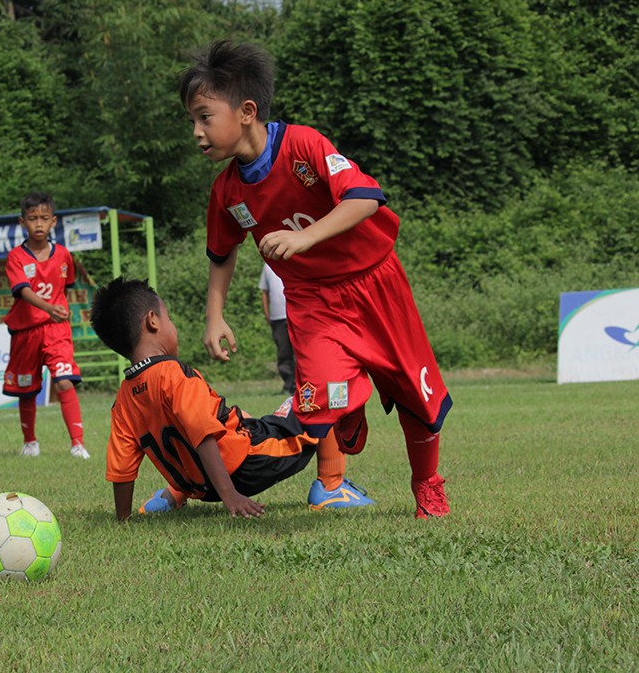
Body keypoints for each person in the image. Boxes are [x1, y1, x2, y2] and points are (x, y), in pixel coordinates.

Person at [182, 40, 452, 518]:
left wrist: (306, 239)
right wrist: (214, 316)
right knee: (319, 400)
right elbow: (222, 255)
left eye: (205, 117)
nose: (197, 132)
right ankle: (348, 409)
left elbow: (366, 199)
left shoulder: (304, 145)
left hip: (376, 283)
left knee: (416, 396)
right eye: (192, 122)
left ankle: (427, 484)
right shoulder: (226, 191)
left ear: (246, 111)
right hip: (311, 299)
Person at [90, 277, 359, 521]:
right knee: (330, 388)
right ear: (153, 321)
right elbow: (203, 435)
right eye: (168, 318)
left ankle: (174, 494)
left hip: (200, 487)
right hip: (247, 465)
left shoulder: (124, 398)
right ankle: (331, 486)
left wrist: (123, 519)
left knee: (248, 418)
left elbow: (122, 468)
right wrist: (230, 495)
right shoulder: (174, 374)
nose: (173, 326)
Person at [2, 192, 90, 460]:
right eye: (32, 219)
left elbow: (67, 285)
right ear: (22, 222)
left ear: (54, 221)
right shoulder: (16, 257)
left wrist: (57, 311)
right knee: (27, 390)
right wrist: (48, 307)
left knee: (64, 381)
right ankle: (30, 442)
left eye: (43, 218)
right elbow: (23, 290)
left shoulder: (64, 255)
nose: (38, 224)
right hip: (26, 331)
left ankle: (77, 444)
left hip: (56, 330)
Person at [259, 264, 296, 396]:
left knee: (299, 353)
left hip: (296, 314)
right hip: (277, 317)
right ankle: (288, 386)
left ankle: (300, 386)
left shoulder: (294, 258)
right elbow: (265, 292)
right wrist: (267, 314)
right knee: (283, 353)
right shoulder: (267, 266)